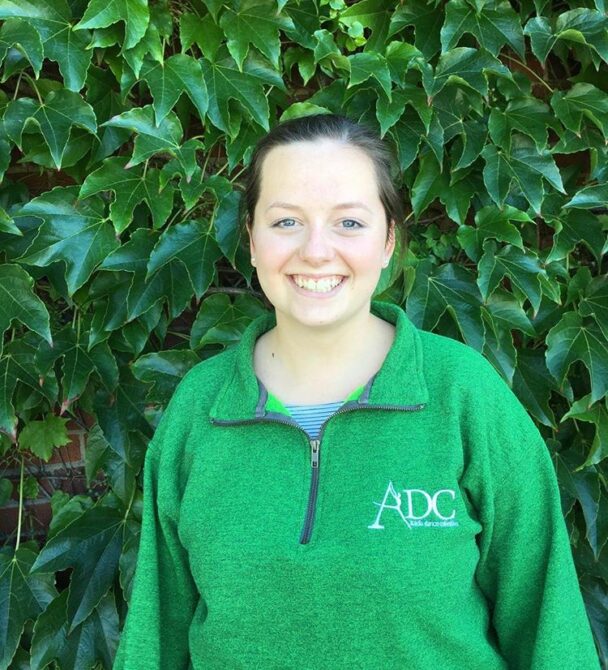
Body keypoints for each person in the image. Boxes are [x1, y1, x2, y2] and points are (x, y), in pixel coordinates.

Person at [113, 113, 600, 669]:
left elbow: (548, 625)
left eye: (348, 222)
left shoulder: (463, 394)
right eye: (286, 221)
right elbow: (156, 636)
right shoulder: (202, 406)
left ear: (389, 240)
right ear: (250, 239)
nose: (316, 251)